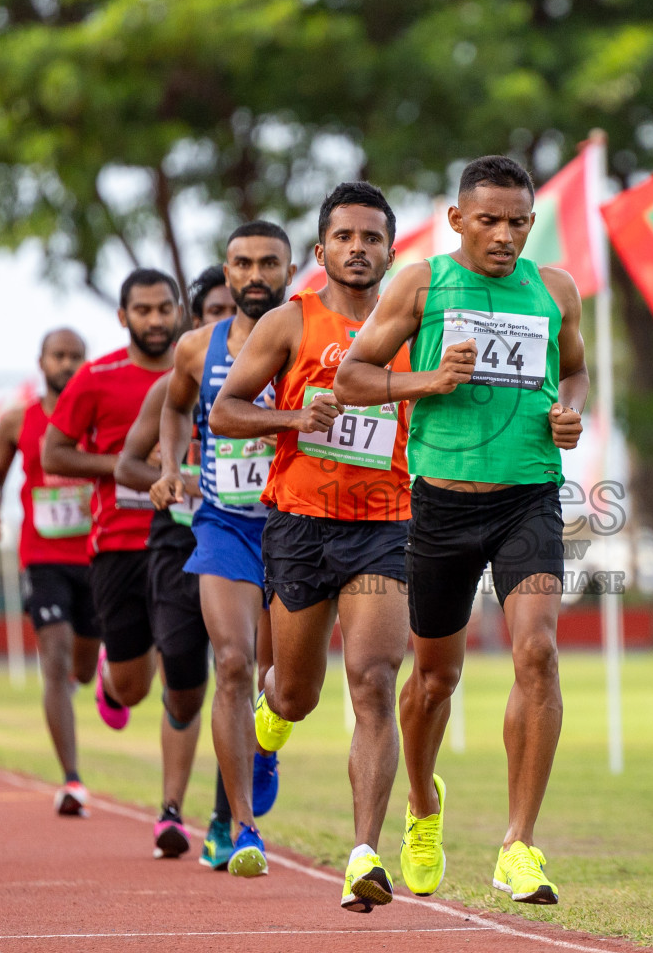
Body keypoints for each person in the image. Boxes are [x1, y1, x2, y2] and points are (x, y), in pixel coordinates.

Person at [335, 155, 587, 906]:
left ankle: (519, 845)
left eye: (517, 222)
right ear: (456, 221)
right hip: (440, 505)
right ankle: (421, 804)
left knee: (536, 653)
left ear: (532, 225)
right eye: (489, 221)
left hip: (529, 498)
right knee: (435, 679)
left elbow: (573, 371)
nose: (504, 235)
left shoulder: (557, 290)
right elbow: (352, 376)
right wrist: (428, 381)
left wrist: (567, 410)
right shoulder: (421, 283)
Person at [209, 182, 412, 912]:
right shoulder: (291, 323)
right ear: (321, 250)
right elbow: (227, 412)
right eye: (346, 237)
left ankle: (364, 854)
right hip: (300, 526)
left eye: (373, 238)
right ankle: (269, 717)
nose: (359, 249)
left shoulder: (414, 326)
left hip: (388, 527)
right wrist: (296, 417)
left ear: (392, 251)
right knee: (296, 695)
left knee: (374, 680)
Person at [150, 222, 294, 878]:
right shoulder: (195, 347)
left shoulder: (308, 339)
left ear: (292, 269)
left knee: (284, 683)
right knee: (233, 663)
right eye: (243, 263)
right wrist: (174, 462)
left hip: (298, 527)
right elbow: (177, 408)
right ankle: (243, 827)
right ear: (226, 272)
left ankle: (267, 737)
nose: (256, 273)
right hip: (225, 525)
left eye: (269, 262)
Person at [41, 267, 196, 859]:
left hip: (184, 541)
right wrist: (130, 466)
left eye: (164, 309)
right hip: (119, 545)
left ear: (178, 310)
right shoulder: (97, 377)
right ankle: (112, 671)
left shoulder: (202, 369)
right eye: (143, 310)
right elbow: (53, 452)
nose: (155, 320)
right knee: (133, 689)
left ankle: (170, 812)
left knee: (184, 676)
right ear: (123, 316)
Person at [113, 266, 247, 871]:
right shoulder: (181, 378)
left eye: (234, 307)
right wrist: (171, 477)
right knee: (187, 682)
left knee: (240, 673)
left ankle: (226, 818)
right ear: (199, 320)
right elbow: (127, 466)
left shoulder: (277, 371)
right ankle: (171, 807)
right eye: (215, 308)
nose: (227, 317)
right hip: (179, 541)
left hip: (256, 536)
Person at [0, 327, 97, 816]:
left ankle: (77, 680)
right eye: (59, 355)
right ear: (42, 361)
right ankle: (72, 781)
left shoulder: (100, 417)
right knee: (54, 656)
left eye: (76, 356)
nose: (67, 364)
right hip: (42, 556)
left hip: (98, 554)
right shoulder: (17, 422)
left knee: (84, 668)